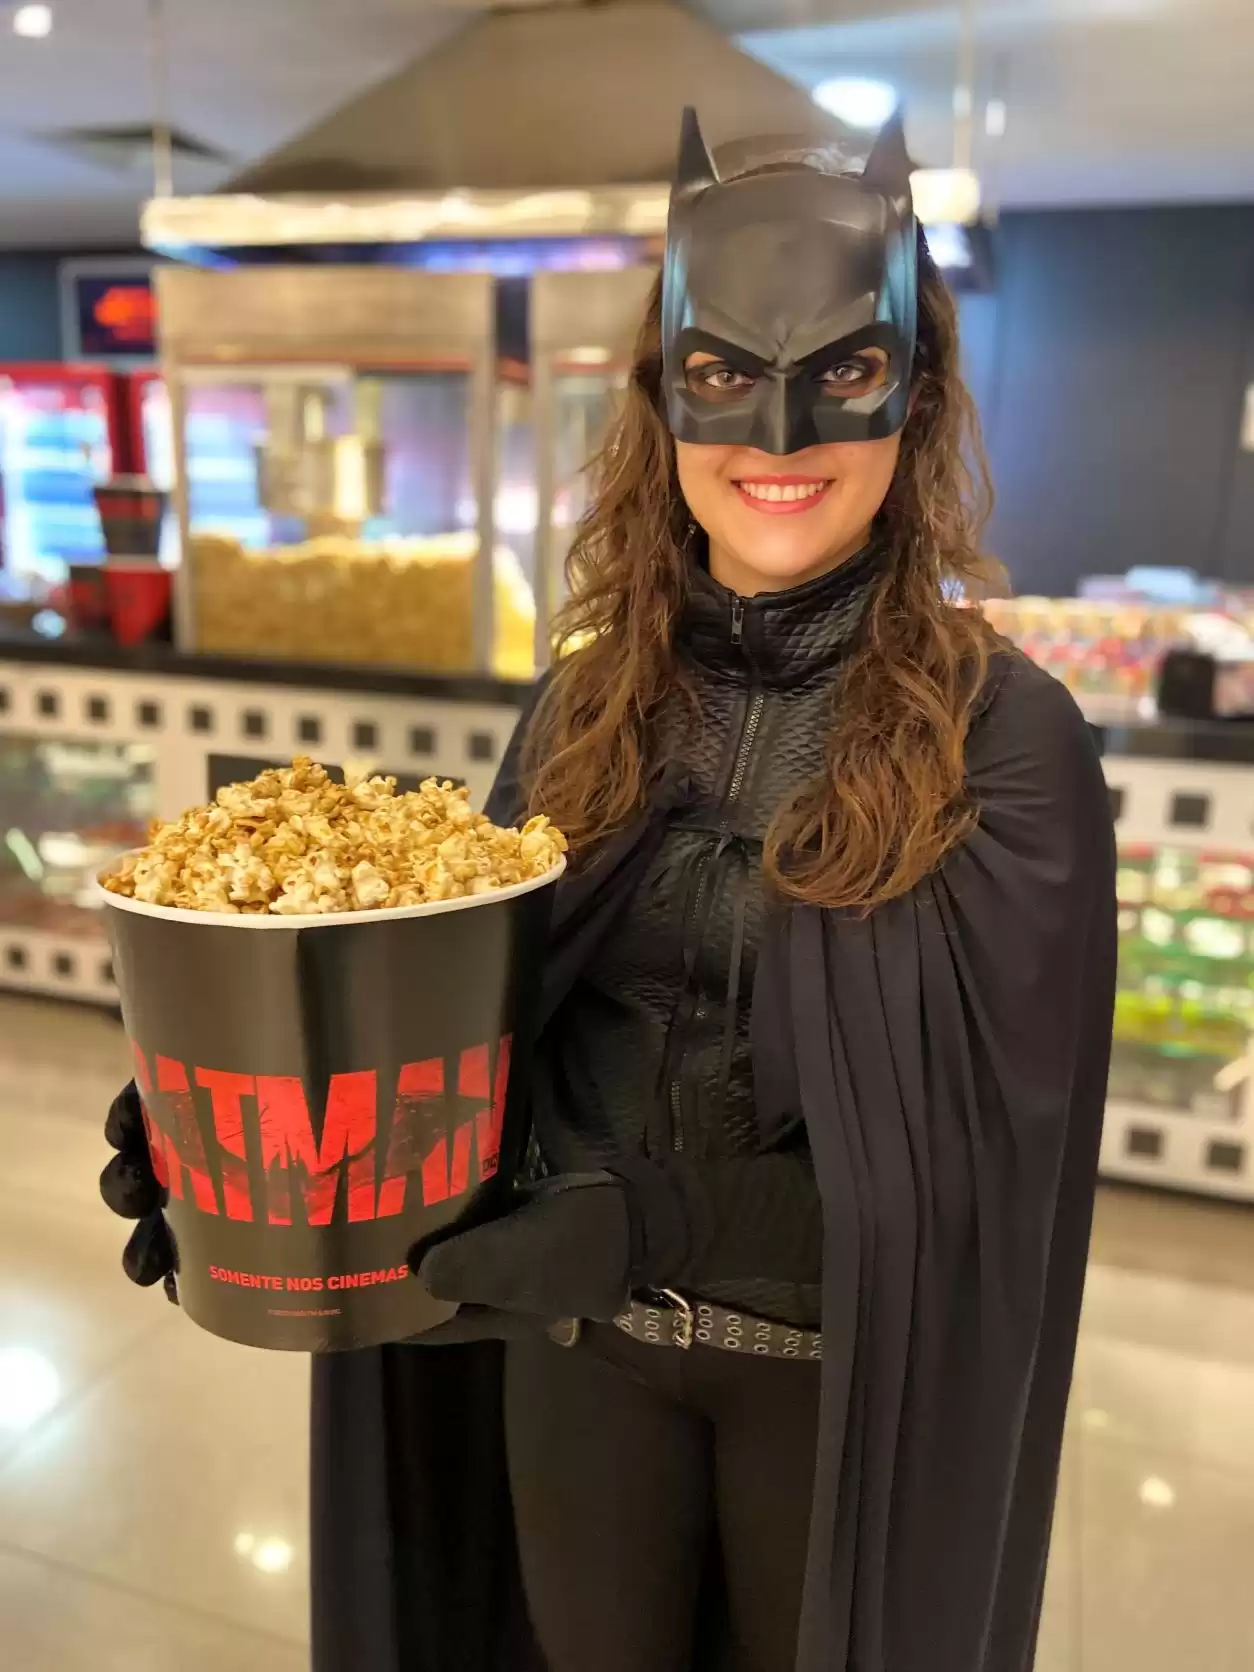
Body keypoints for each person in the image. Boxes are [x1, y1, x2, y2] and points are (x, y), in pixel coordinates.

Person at [102, 109, 1116, 1672]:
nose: (776, 446)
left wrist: (650, 1213)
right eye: (722, 378)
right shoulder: (587, 702)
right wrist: (253, 1122)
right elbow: (462, 1031)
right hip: (580, 1361)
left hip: (828, 1386)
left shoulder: (1002, 735)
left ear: (915, 400)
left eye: (841, 377)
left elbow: (983, 1178)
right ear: (661, 397)